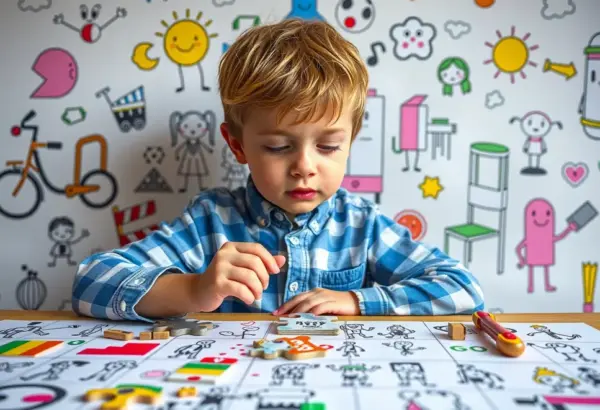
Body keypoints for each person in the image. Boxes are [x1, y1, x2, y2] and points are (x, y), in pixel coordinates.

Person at [71, 18, 484, 322]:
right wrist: (194, 289)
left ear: (351, 142)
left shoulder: (363, 225)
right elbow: (89, 283)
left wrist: (359, 301)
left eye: (328, 146)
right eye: (278, 147)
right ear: (238, 145)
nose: (304, 167)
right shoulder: (211, 221)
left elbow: (463, 288)